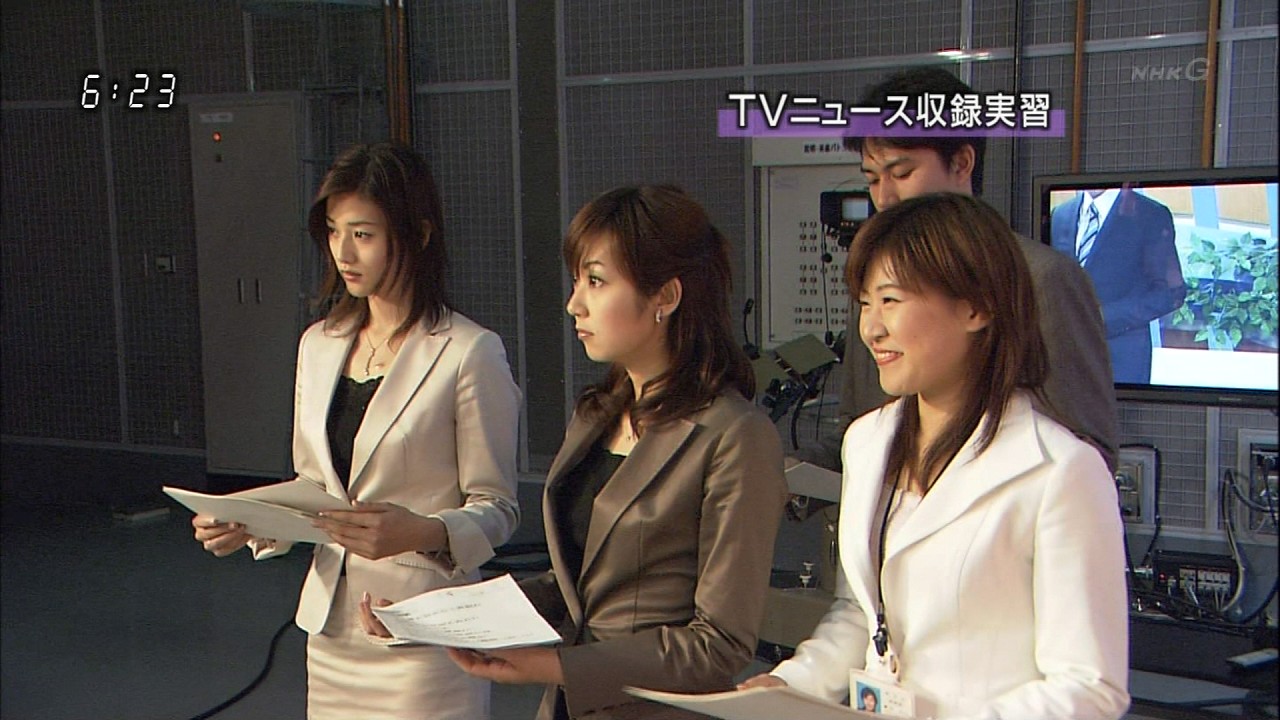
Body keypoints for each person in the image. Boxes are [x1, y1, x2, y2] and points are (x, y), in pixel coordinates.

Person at [362, 185, 790, 719]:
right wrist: (435, 618)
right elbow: (573, 587)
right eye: (576, 281)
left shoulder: (736, 436)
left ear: (666, 296)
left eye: (596, 281)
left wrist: (558, 665)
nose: (574, 304)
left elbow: (718, 646)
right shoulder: (597, 414)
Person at [740, 193, 1130, 719]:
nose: (871, 328)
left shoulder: (1061, 470)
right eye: (864, 304)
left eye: (891, 300)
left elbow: (1089, 686)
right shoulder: (868, 441)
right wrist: (789, 685)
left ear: (975, 307)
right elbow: (863, 614)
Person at [191, 142, 521, 719]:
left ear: (418, 235)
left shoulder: (470, 352)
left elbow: (497, 509)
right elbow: (316, 485)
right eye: (333, 231)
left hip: (422, 632)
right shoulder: (319, 344)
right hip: (331, 631)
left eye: (363, 234)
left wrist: (423, 531)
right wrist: (249, 520)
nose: (342, 252)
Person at [801, 67, 1118, 472]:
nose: (885, 197)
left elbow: (1087, 452)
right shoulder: (874, 279)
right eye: (873, 179)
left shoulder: (1041, 279)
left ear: (962, 162)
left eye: (902, 173)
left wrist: (958, 489)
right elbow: (858, 427)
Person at [1051, 188, 1187, 384]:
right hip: (1062, 360)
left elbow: (1171, 292)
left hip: (1119, 361)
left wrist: (1102, 317)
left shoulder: (1150, 214)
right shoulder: (1060, 215)